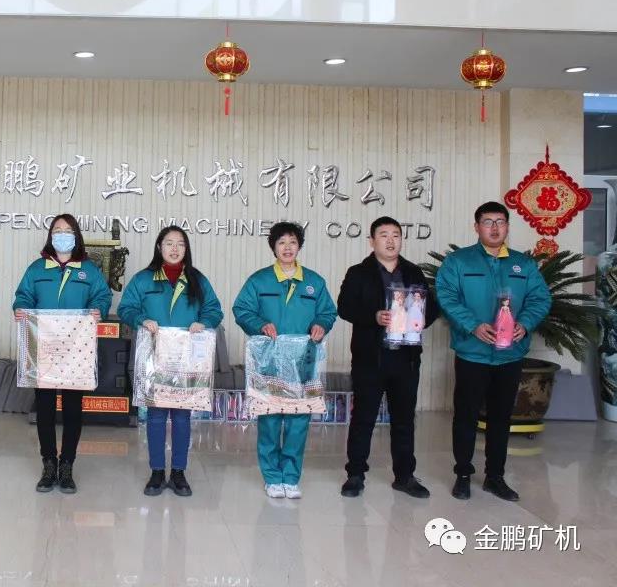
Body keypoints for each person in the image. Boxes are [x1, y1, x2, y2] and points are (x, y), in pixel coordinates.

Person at [436, 201, 551, 502]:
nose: (495, 228)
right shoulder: (459, 262)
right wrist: (472, 325)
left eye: (500, 222)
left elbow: (540, 298)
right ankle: (463, 474)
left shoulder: (523, 264)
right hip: (472, 353)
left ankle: (495, 477)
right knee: (466, 416)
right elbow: (446, 297)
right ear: (477, 227)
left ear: (507, 227)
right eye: (488, 222)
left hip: (509, 355)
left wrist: (525, 324)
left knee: (501, 418)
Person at [336, 217, 439, 499]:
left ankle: (404, 476)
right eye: (384, 235)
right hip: (371, 358)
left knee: (404, 419)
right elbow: (344, 307)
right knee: (364, 418)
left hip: (406, 358)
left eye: (396, 235)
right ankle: (355, 475)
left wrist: (418, 319)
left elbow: (432, 309)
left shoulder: (413, 272)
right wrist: (374, 316)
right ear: (372, 241)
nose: (391, 240)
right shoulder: (358, 272)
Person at [233, 221, 336, 499]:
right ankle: (271, 477)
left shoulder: (314, 282)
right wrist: (259, 324)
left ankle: (290, 477)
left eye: (292, 242)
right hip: (269, 361)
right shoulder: (259, 280)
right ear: (273, 247)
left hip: (304, 361)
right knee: (270, 417)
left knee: (298, 419)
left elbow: (328, 312)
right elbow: (241, 309)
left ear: (299, 246)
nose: (287, 247)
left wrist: (321, 324)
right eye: (281, 242)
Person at [118, 227, 223, 497]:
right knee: (155, 415)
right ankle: (156, 472)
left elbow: (214, 309)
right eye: (169, 243)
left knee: (181, 415)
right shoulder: (144, 279)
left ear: (186, 249)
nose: (174, 249)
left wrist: (204, 322)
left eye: (180, 244)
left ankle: (178, 472)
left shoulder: (197, 280)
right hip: (155, 356)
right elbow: (126, 308)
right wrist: (142, 319)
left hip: (187, 358)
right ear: (159, 247)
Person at [13, 213, 112, 494]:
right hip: (43, 347)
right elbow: (23, 296)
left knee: (72, 408)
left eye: (68, 230)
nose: (62, 235)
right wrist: (20, 309)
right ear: (50, 236)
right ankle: (48, 463)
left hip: (75, 350)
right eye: (57, 230)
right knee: (44, 407)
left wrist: (99, 310)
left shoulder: (88, 270)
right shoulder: (37, 269)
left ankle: (67, 464)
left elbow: (102, 296)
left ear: (76, 236)